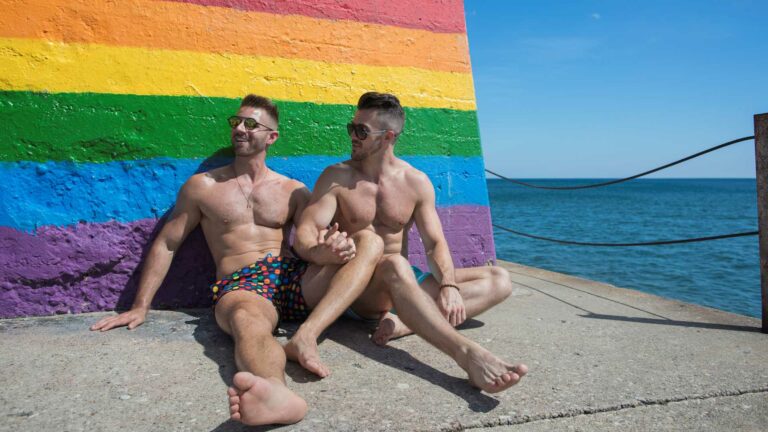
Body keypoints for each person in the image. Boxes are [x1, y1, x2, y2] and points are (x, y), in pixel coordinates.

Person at [90, 94, 384, 426]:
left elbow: (305, 246)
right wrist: (140, 305)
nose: (240, 129)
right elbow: (168, 243)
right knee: (248, 319)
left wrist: (327, 251)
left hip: (291, 278)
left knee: (368, 240)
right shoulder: (202, 187)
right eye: (236, 123)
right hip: (244, 284)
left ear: (271, 137)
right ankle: (274, 392)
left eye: (251, 124)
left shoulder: (294, 191)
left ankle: (307, 334)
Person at [293, 92, 528, 393]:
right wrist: (320, 252)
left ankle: (404, 322)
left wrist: (449, 286)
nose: (352, 136)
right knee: (388, 257)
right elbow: (305, 233)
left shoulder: (415, 182)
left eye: (361, 131)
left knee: (500, 279)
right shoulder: (337, 177)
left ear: (388, 136)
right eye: (352, 127)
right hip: (357, 286)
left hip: (400, 280)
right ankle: (465, 353)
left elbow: (434, 244)